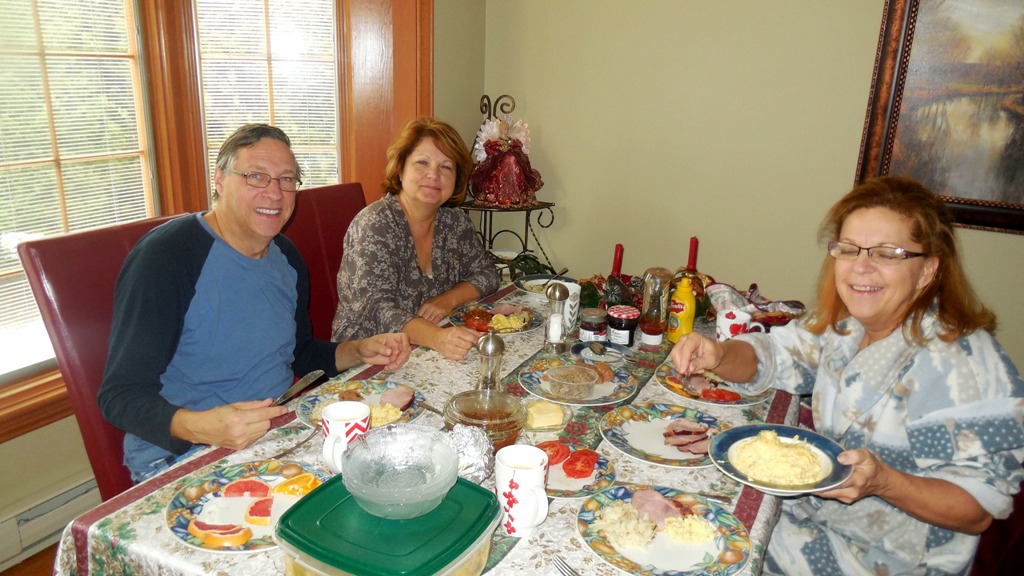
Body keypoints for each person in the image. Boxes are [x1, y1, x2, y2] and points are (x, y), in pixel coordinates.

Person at [671, 176, 1023, 575]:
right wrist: (719, 354)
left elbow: (976, 510)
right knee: (685, 510)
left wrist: (884, 482)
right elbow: (777, 357)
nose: (861, 266)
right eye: (849, 249)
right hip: (815, 518)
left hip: (887, 559)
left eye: (887, 253)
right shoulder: (847, 328)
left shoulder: (959, 363)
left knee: (702, 557)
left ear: (928, 270)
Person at [98, 124, 411, 482]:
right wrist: (203, 427)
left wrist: (359, 350)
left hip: (274, 436)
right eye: (256, 176)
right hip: (184, 456)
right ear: (219, 180)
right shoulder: (167, 257)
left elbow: (300, 354)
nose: (274, 193)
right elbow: (119, 396)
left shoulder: (285, 256)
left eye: (286, 179)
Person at [330, 117, 501, 360]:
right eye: (422, 162)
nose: (433, 175)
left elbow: (488, 273)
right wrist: (438, 338)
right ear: (400, 169)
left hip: (431, 347)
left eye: (446, 167)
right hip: (371, 357)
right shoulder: (375, 224)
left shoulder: (455, 221)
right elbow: (377, 310)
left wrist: (448, 299)